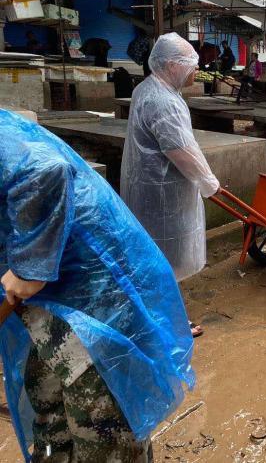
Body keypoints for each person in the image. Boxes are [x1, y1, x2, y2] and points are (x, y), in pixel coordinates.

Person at [0, 108, 194, 461]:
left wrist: (29, 266)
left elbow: (45, 169)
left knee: (103, 426)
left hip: (94, 302)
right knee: (48, 414)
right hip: (47, 309)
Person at [121, 32, 220, 337]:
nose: (195, 70)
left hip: (147, 185)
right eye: (190, 64)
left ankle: (150, 316)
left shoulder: (148, 89)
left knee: (151, 257)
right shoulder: (164, 101)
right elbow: (181, 150)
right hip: (163, 191)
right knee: (167, 259)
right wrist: (209, 182)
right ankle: (170, 324)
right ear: (172, 66)